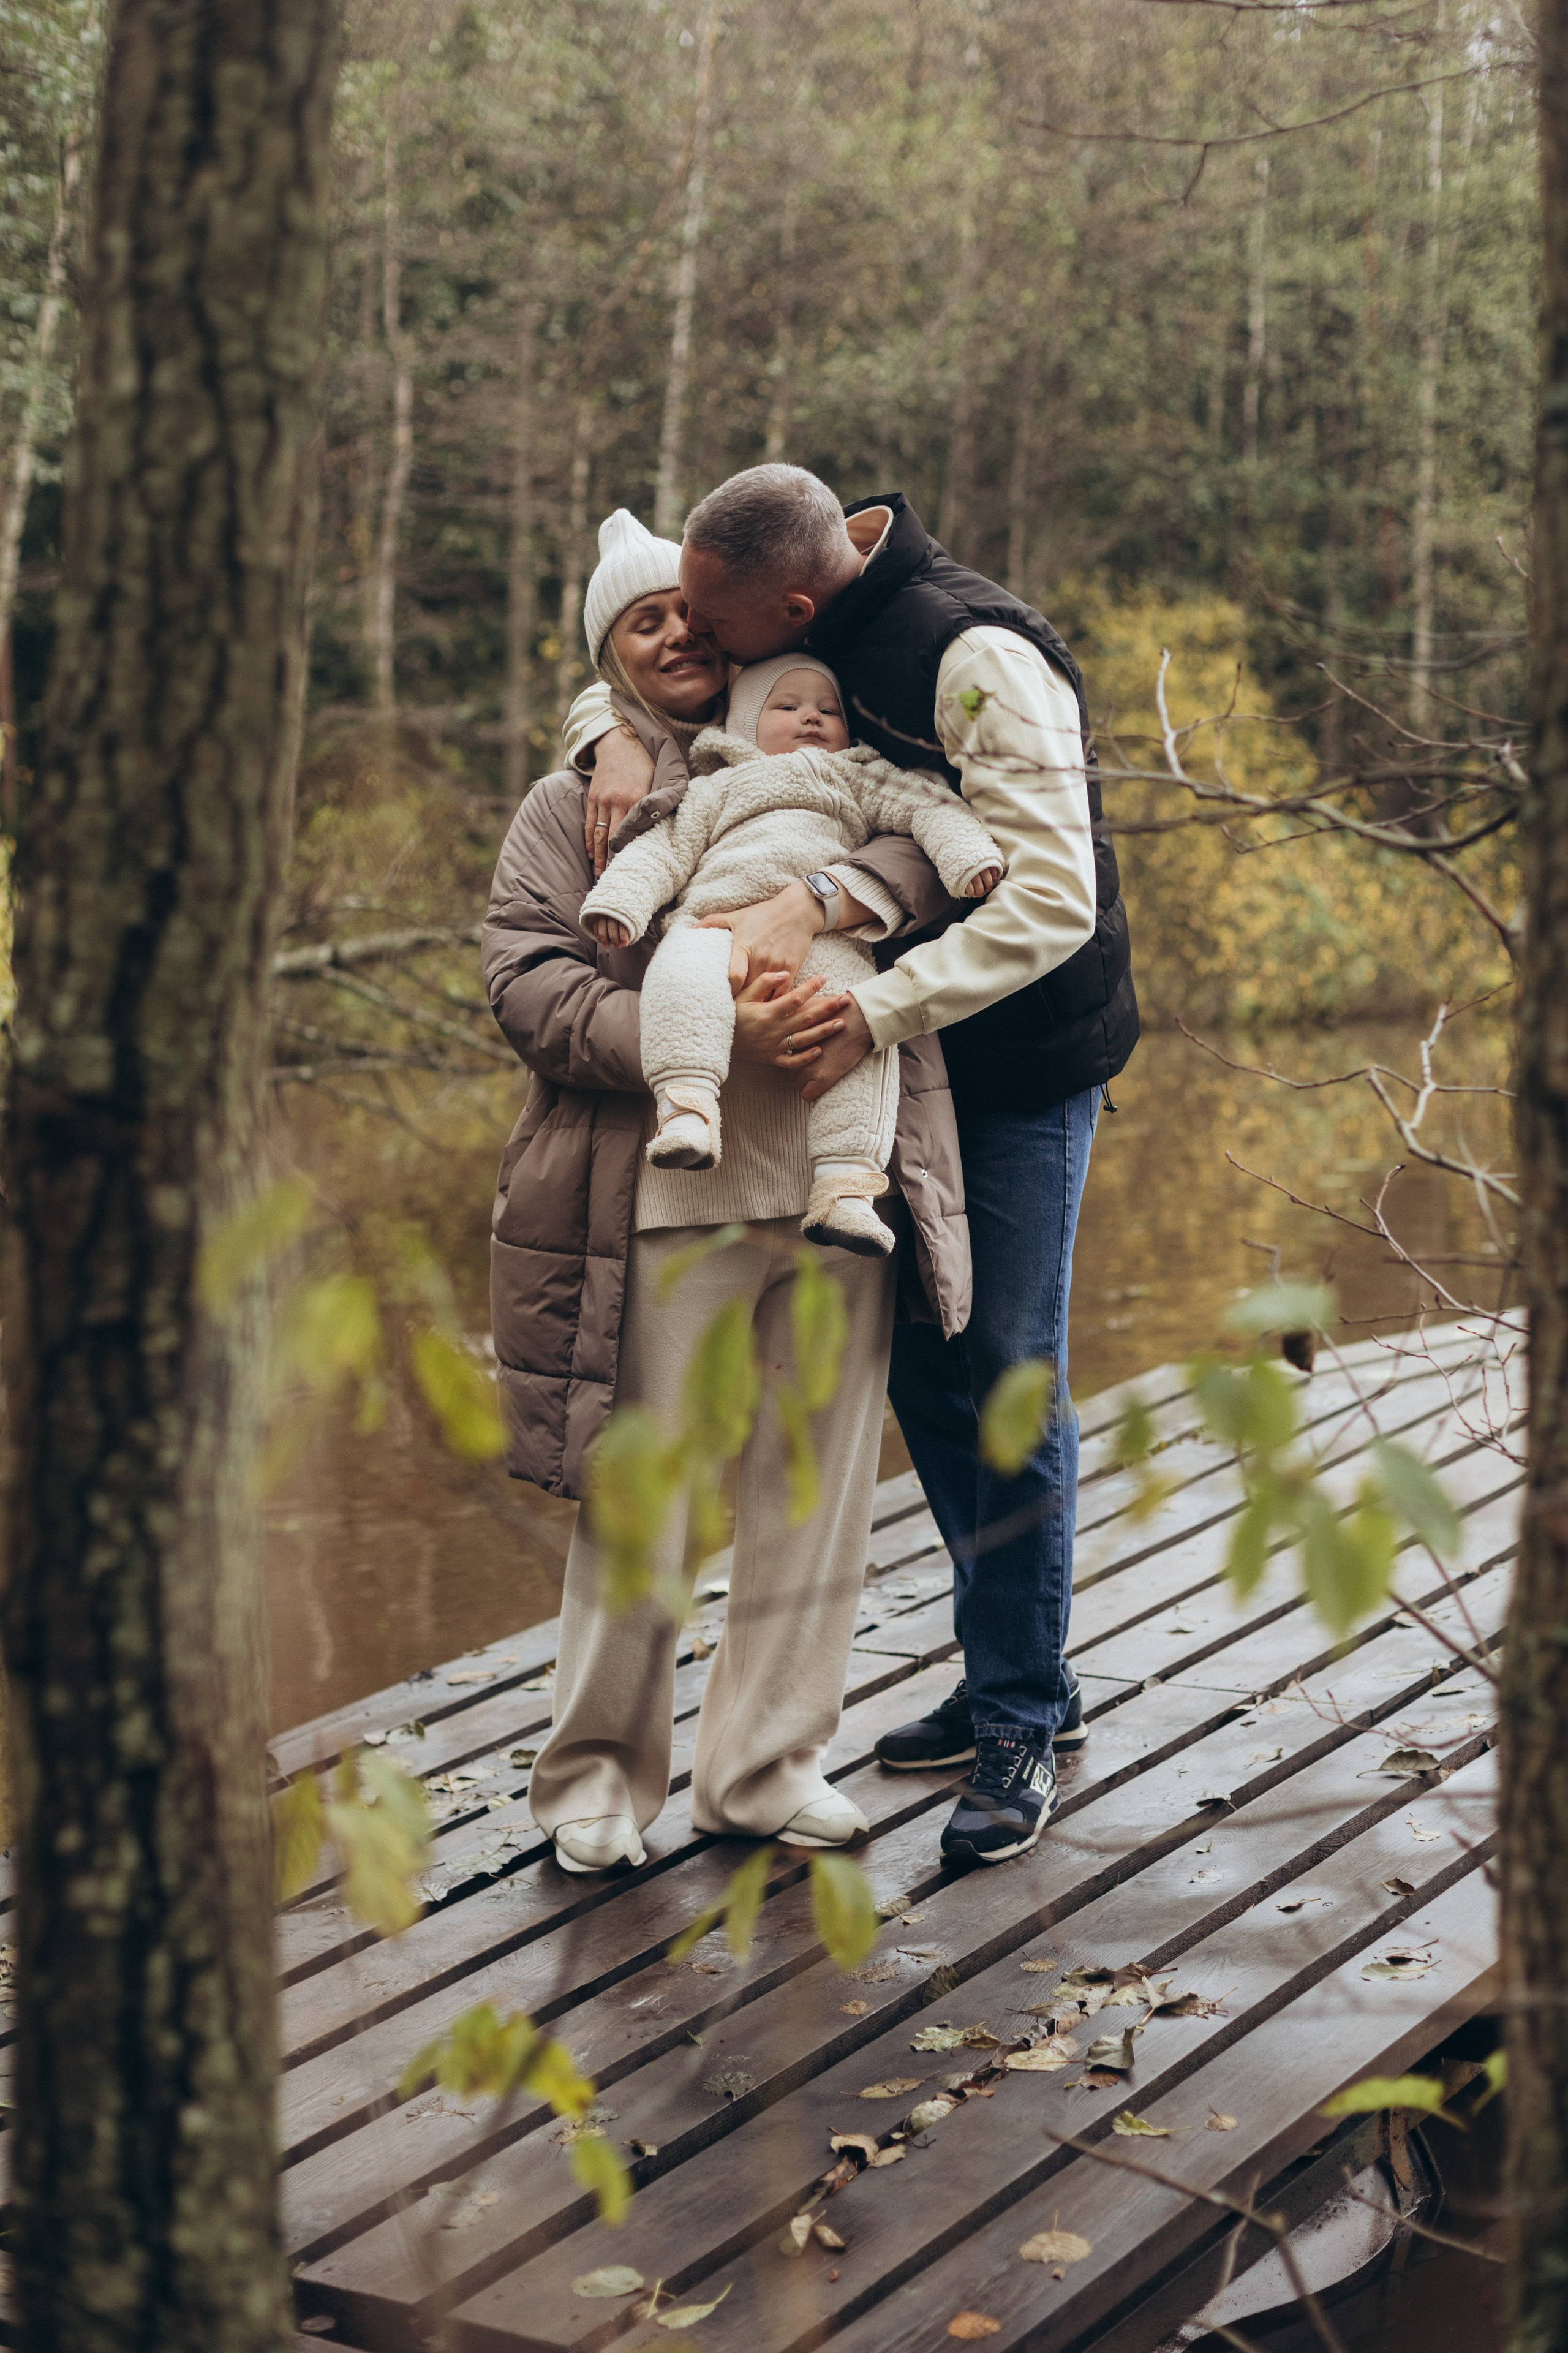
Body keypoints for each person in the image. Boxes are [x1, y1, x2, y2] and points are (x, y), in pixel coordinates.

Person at [565, 467, 1139, 1867]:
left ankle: (1017, 1715)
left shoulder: (976, 655)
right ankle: (1016, 1663)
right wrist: (610, 739)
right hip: (895, 1079)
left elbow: (1047, 898)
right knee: (926, 1380)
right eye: (691, 618)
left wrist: (856, 984)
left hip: (1006, 1061)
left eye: (721, 620)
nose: (706, 641)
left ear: (794, 603)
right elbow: (637, 663)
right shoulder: (773, 592)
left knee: (1005, 1370)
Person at [483, 508, 974, 1876]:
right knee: (647, 1497)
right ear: (611, 659)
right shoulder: (572, 802)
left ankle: (762, 1768)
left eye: (694, 617)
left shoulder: (840, 760)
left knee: (812, 1490)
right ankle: (593, 1777)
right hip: (655, 1200)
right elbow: (525, 981)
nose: (681, 639)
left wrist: (825, 890)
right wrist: (694, 1036)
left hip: (837, 1184)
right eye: (646, 625)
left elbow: (930, 852)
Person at [580, 652, 1003, 1255]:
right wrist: (619, 902)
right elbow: (663, 847)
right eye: (788, 706)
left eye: (826, 709)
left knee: (854, 1029)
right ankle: (687, 1105)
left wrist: (967, 861)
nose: (811, 718)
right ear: (745, 724)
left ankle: (845, 1185)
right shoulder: (715, 787)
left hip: (829, 940)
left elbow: (929, 806)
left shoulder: (858, 775)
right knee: (676, 979)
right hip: (714, 923)